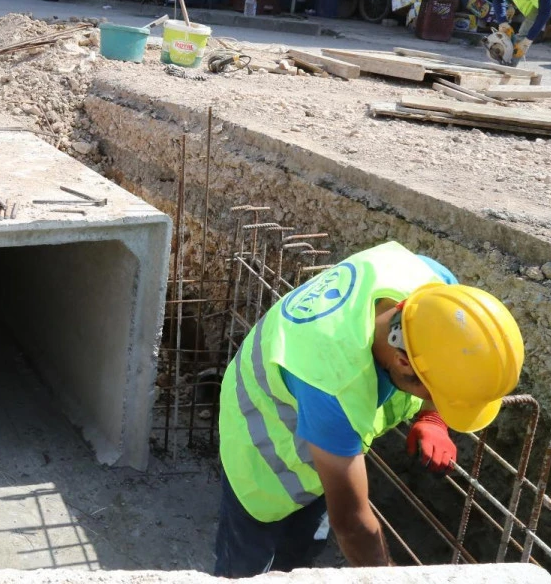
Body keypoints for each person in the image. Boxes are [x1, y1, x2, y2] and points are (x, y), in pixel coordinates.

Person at [214, 241, 524, 577]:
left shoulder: (435, 290)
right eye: (435, 394)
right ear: (403, 361)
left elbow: (447, 354)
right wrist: (385, 575)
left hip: (319, 423)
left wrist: (433, 416)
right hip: (263, 447)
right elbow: (352, 524)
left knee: (300, 551)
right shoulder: (334, 382)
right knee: (246, 562)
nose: (437, 401)